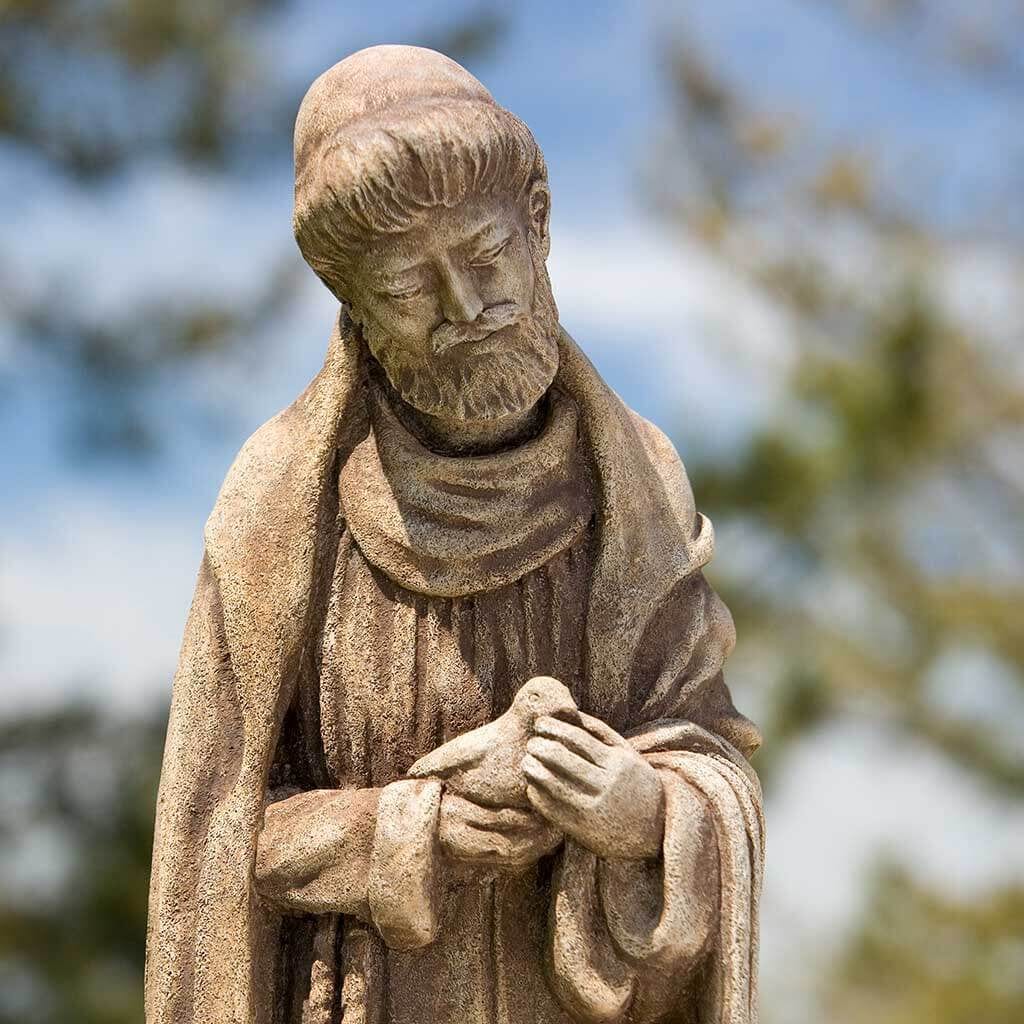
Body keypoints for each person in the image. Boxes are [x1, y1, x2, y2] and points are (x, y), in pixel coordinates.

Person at [145, 45, 764, 1024]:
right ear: (354, 306)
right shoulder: (280, 502)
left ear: (538, 225)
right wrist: (406, 831)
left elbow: (709, 755)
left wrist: (643, 812)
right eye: (406, 287)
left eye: (482, 257)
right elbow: (212, 841)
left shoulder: (637, 481)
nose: (465, 309)